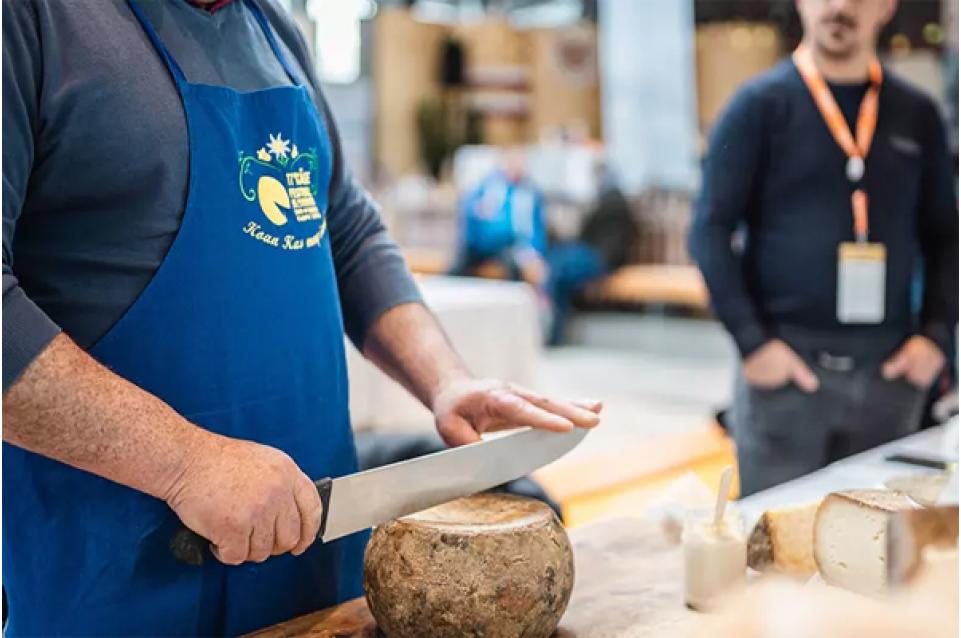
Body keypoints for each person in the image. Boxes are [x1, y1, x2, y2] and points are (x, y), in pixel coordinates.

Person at [1, 1, 602, 634]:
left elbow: (344, 226)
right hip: (118, 582)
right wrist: (185, 463)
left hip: (310, 572)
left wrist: (445, 380)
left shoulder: (271, 26)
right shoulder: (33, 19)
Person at [689, 0, 958, 496]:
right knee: (774, 554)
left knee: (878, 554)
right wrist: (753, 343)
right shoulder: (758, 106)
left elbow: (948, 237)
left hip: (890, 374)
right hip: (787, 375)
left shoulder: (915, 114)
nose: (840, 6)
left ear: (886, 7)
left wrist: (937, 338)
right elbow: (709, 230)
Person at [451, 148, 549, 286]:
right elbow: (473, 215)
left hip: (515, 249)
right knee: (457, 265)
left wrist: (534, 254)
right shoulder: (488, 187)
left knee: (524, 265)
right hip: (481, 246)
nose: (517, 166)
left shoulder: (531, 193)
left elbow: (536, 230)